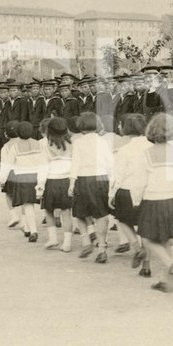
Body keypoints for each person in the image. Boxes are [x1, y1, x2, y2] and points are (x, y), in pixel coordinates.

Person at [127, 114, 173, 293]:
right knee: (166, 240)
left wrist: (135, 199)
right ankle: (166, 280)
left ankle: (170, 263)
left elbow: (139, 181)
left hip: (154, 201)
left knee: (148, 238)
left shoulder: (145, 155)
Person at [109, 113, 152, 275]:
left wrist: (111, 193)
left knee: (121, 219)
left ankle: (135, 245)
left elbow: (118, 175)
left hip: (127, 189)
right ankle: (146, 265)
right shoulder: (151, 146)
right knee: (145, 227)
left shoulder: (124, 150)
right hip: (148, 191)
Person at [69, 111, 114, 263]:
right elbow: (110, 164)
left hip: (83, 178)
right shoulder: (104, 142)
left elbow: (75, 163)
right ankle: (102, 248)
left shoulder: (78, 142)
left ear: (80, 126)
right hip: (101, 179)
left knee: (79, 213)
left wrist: (71, 183)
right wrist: (112, 183)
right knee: (101, 215)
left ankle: (85, 241)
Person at [0, 120, 44, 242]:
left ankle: (32, 230)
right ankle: (28, 228)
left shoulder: (14, 147)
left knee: (27, 204)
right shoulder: (38, 144)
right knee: (31, 204)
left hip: (22, 178)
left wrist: (2, 179)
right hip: (36, 176)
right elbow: (44, 163)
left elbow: (7, 165)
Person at [36, 117, 74, 252]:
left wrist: (39, 187)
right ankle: (67, 242)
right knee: (66, 212)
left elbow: (43, 167)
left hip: (51, 181)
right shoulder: (72, 143)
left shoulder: (46, 145)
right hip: (68, 180)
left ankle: (53, 238)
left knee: (49, 211)